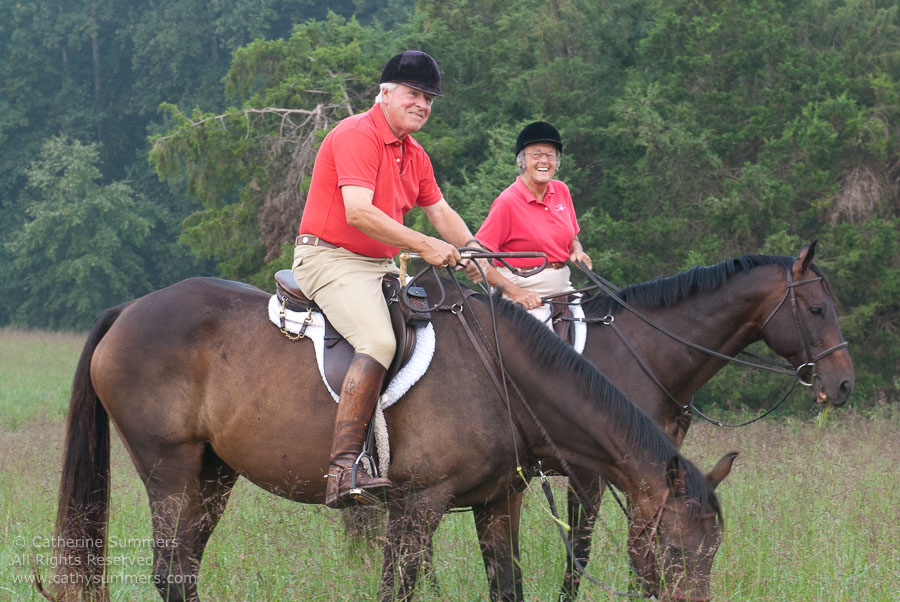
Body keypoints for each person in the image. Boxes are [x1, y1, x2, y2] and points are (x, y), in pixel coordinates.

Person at [292, 50, 476, 508]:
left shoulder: (415, 155)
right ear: (386, 93)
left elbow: (442, 213)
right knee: (378, 340)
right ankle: (344, 467)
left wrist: (479, 258)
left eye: (430, 99)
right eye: (414, 94)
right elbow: (358, 211)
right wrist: (423, 245)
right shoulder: (358, 133)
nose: (423, 105)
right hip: (329, 260)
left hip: (378, 265)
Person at [470, 121, 592, 325]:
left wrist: (577, 251)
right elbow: (479, 257)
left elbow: (572, 237)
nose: (544, 161)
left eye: (550, 155)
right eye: (536, 154)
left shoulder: (561, 190)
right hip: (524, 293)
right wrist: (518, 293)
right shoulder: (507, 202)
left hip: (563, 287)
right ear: (522, 161)